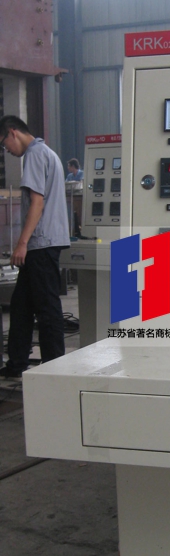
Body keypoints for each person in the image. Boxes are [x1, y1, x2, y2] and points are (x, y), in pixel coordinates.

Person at [0, 116, 70, 378]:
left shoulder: (35, 154)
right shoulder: (47, 153)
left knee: (46, 308)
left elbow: (37, 203)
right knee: (21, 305)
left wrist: (21, 244)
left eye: (4, 144)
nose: (6, 150)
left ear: (13, 132)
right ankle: (16, 363)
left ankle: (54, 368)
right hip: (42, 243)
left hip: (41, 244)